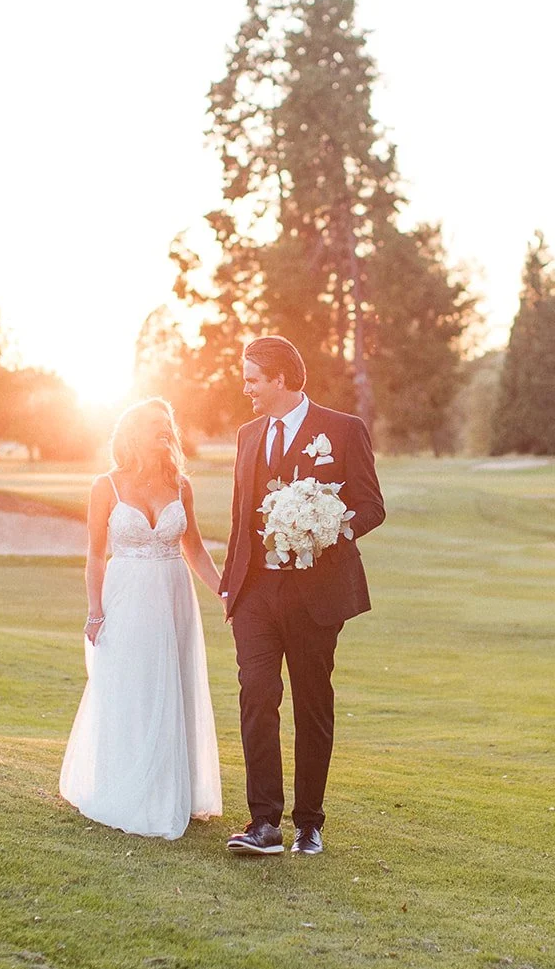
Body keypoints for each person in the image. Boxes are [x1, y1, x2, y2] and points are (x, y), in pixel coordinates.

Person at [219, 336, 386, 856]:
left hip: (316, 595)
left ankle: (309, 823)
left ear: (280, 379)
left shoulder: (342, 430)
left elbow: (370, 506)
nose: (244, 388)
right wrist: (232, 584)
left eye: (251, 379)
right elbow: (240, 516)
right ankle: (263, 822)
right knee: (257, 696)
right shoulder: (248, 436)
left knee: (312, 705)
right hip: (255, 594)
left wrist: (327, 528)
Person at [59, 398, 224, 839]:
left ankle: (171, 790)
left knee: (172, 684)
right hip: (127, 595)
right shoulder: (105, 487)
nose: (164, 431)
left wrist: (227, 593)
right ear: (132, 432)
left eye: (167, 424)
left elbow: (195, 549)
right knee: (130, 686)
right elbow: (95, 555)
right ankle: (128, 785)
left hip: (174, 597)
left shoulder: (181, 484)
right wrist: (95, 610)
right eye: (154, 425)